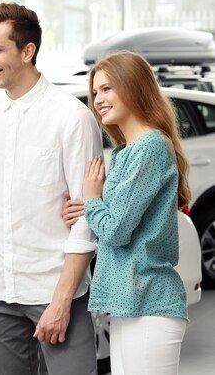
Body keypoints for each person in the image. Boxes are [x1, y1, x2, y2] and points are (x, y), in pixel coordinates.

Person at [0, 2, 102, 375]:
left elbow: (85, 219)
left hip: (54, 290)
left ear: (27, 51)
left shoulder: (72, 118)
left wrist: (62, 300)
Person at [61, 50, 190, 375]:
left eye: (106, 89)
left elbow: (117, 230)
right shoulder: (123, 153)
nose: (98, 99)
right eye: (95, 92)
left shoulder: (151, 147)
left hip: (151, 302)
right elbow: (118, 215)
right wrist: (87, 207)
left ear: (133, 87)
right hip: (129, 303)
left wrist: (92, 199)